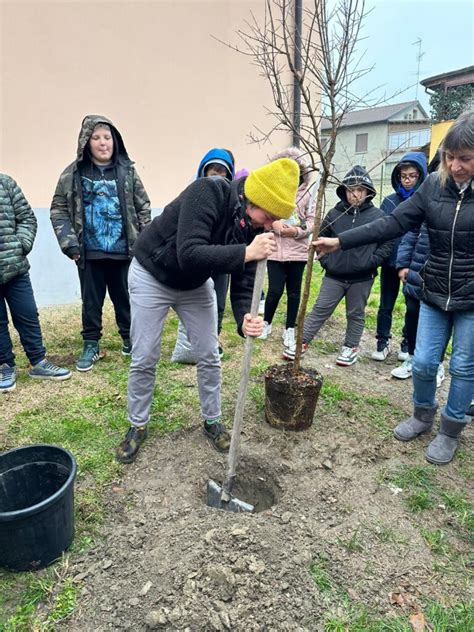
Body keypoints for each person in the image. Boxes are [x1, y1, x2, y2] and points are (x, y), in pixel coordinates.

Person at [314, 111, 474, 465]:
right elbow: (393, 223)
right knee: (423, 364)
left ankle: (449, 430)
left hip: (471, 298)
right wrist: (339, 242)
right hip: (433, 289)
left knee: (463, 367)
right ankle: (422, 416)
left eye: (465, 158)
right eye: (450, 156)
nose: (456, 165)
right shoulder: (433, 186)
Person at [115, 158, 300, 464]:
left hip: (194, 284)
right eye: (268, 217)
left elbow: (244, 278)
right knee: (145, 355)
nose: (269, 226)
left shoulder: (250, 225)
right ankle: (137, 424)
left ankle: (212, 421)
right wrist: (247, 251)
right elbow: (189, 253)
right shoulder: (207, 193)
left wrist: (244, 318)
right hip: (152, 273)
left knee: (209, 354)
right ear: (251, 199)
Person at [50, 115, 151, 372]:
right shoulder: (72, 174)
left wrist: (143, 242)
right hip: (88, 252)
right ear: (86, 142)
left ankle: (130, 339)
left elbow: (143, 207)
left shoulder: (127, 172)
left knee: (125, 298)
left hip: (124, 251)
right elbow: (59, 208)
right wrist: (69, 243)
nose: (102, 143)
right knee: (91, 301)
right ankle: (91, 343)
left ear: (115, 141)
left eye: (107, 138)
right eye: (96, 138)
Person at [285, 166, 393, 365]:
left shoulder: (378, 216)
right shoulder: (335, 214)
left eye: (360, 190)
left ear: (368, 192)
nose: (355, 194)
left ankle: (350, 347)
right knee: (320, 309)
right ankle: (302, 343)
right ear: (344, 191)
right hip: (334, 275)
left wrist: (372, 261)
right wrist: (327, 261)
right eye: (350, 189)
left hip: (362, 277)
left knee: (355, 313)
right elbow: (320, 237)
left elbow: (388, 242)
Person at [0, 173, 71, 392]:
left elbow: (27, 218)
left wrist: (21, 244)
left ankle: (38, 362)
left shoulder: (6, 183)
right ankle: (4, 366)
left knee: (28, 313)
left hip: (15, 267)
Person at [256, 148, 314, 360]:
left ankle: (290, 328)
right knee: (274, 290)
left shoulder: (308, 193)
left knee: (294, 293)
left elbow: (312, 220)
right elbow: (262, 218)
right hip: (275, 250)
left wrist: (297, 231)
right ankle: (267, 323)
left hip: (297, 252)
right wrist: (274, 225)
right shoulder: (274, 190)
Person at [371, 153, 427, 362]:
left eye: (412, 175)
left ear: (420, 176)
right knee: (386, 303)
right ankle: (382, 341)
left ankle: (407, 342)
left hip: (414, 265)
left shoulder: (424, 202)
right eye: (403, 175)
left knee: (412, 307)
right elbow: (382, 231)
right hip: (389, 262)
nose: (407, 179)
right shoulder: (389, 202)